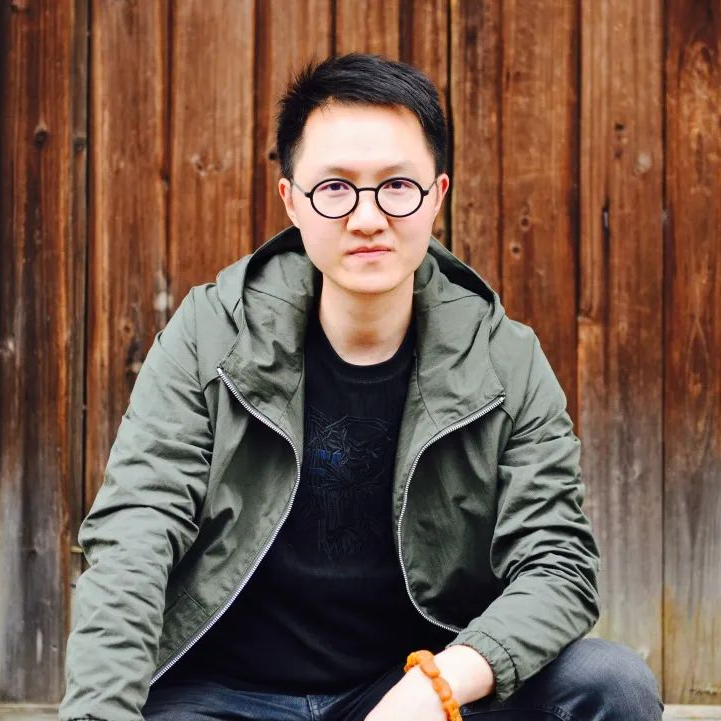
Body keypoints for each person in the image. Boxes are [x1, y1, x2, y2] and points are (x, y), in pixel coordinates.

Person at [60, 53, 663, 721]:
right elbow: (135, 532)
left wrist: (434, 686)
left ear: (437, 194)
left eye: (397, 186)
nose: (368, 217)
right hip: (222, 696)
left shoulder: (503, 359)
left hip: (404, 690)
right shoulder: (212, 336)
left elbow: (558, 563)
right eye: (335, 187)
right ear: (291, 200)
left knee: (609, 684)